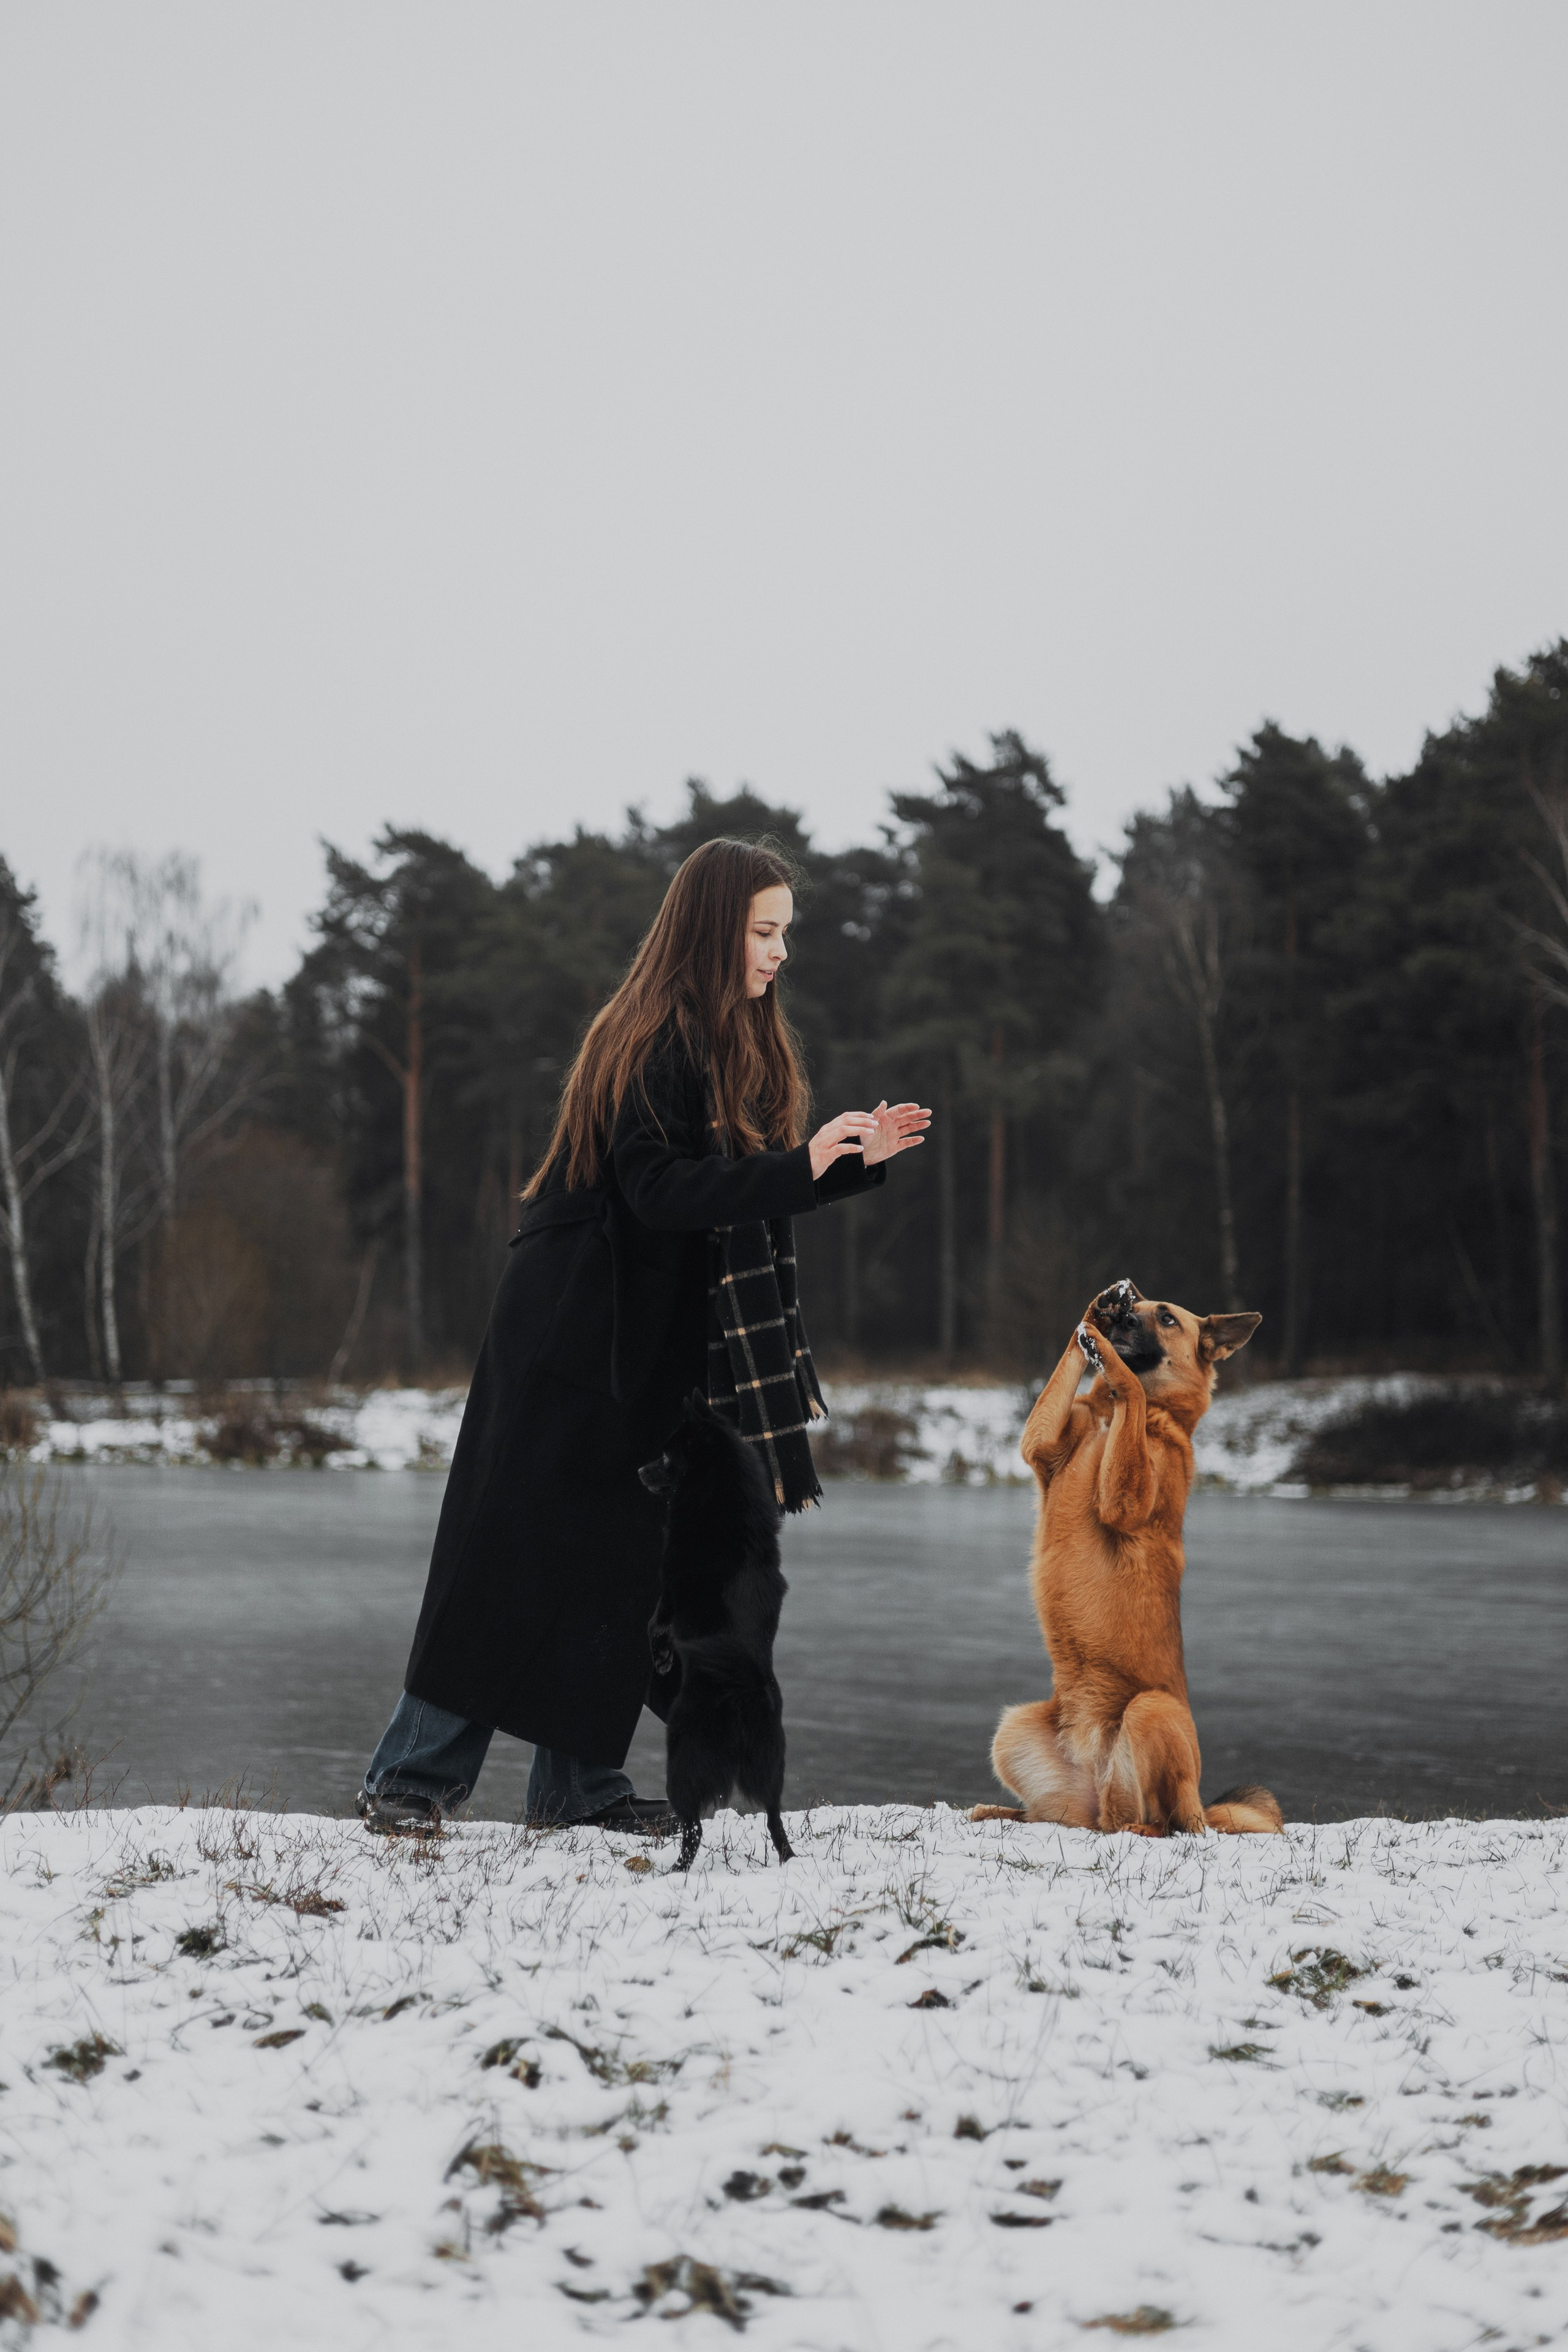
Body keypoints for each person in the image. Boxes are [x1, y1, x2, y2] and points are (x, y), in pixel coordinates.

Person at [358, 836, 929, 1833]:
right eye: (764, 932)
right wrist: (803, 1166)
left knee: (625, 1567)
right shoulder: (658, 1037)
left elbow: (726, 1191)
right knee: (508, 1559)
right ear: (713, 929)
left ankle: (576, 1789)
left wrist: (843, 1163)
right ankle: (407, 1782)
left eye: (785, 933)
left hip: (641, 1342)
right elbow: (660, 1190)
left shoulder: (730, 1041)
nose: (780, 952)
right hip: (573, 1336)